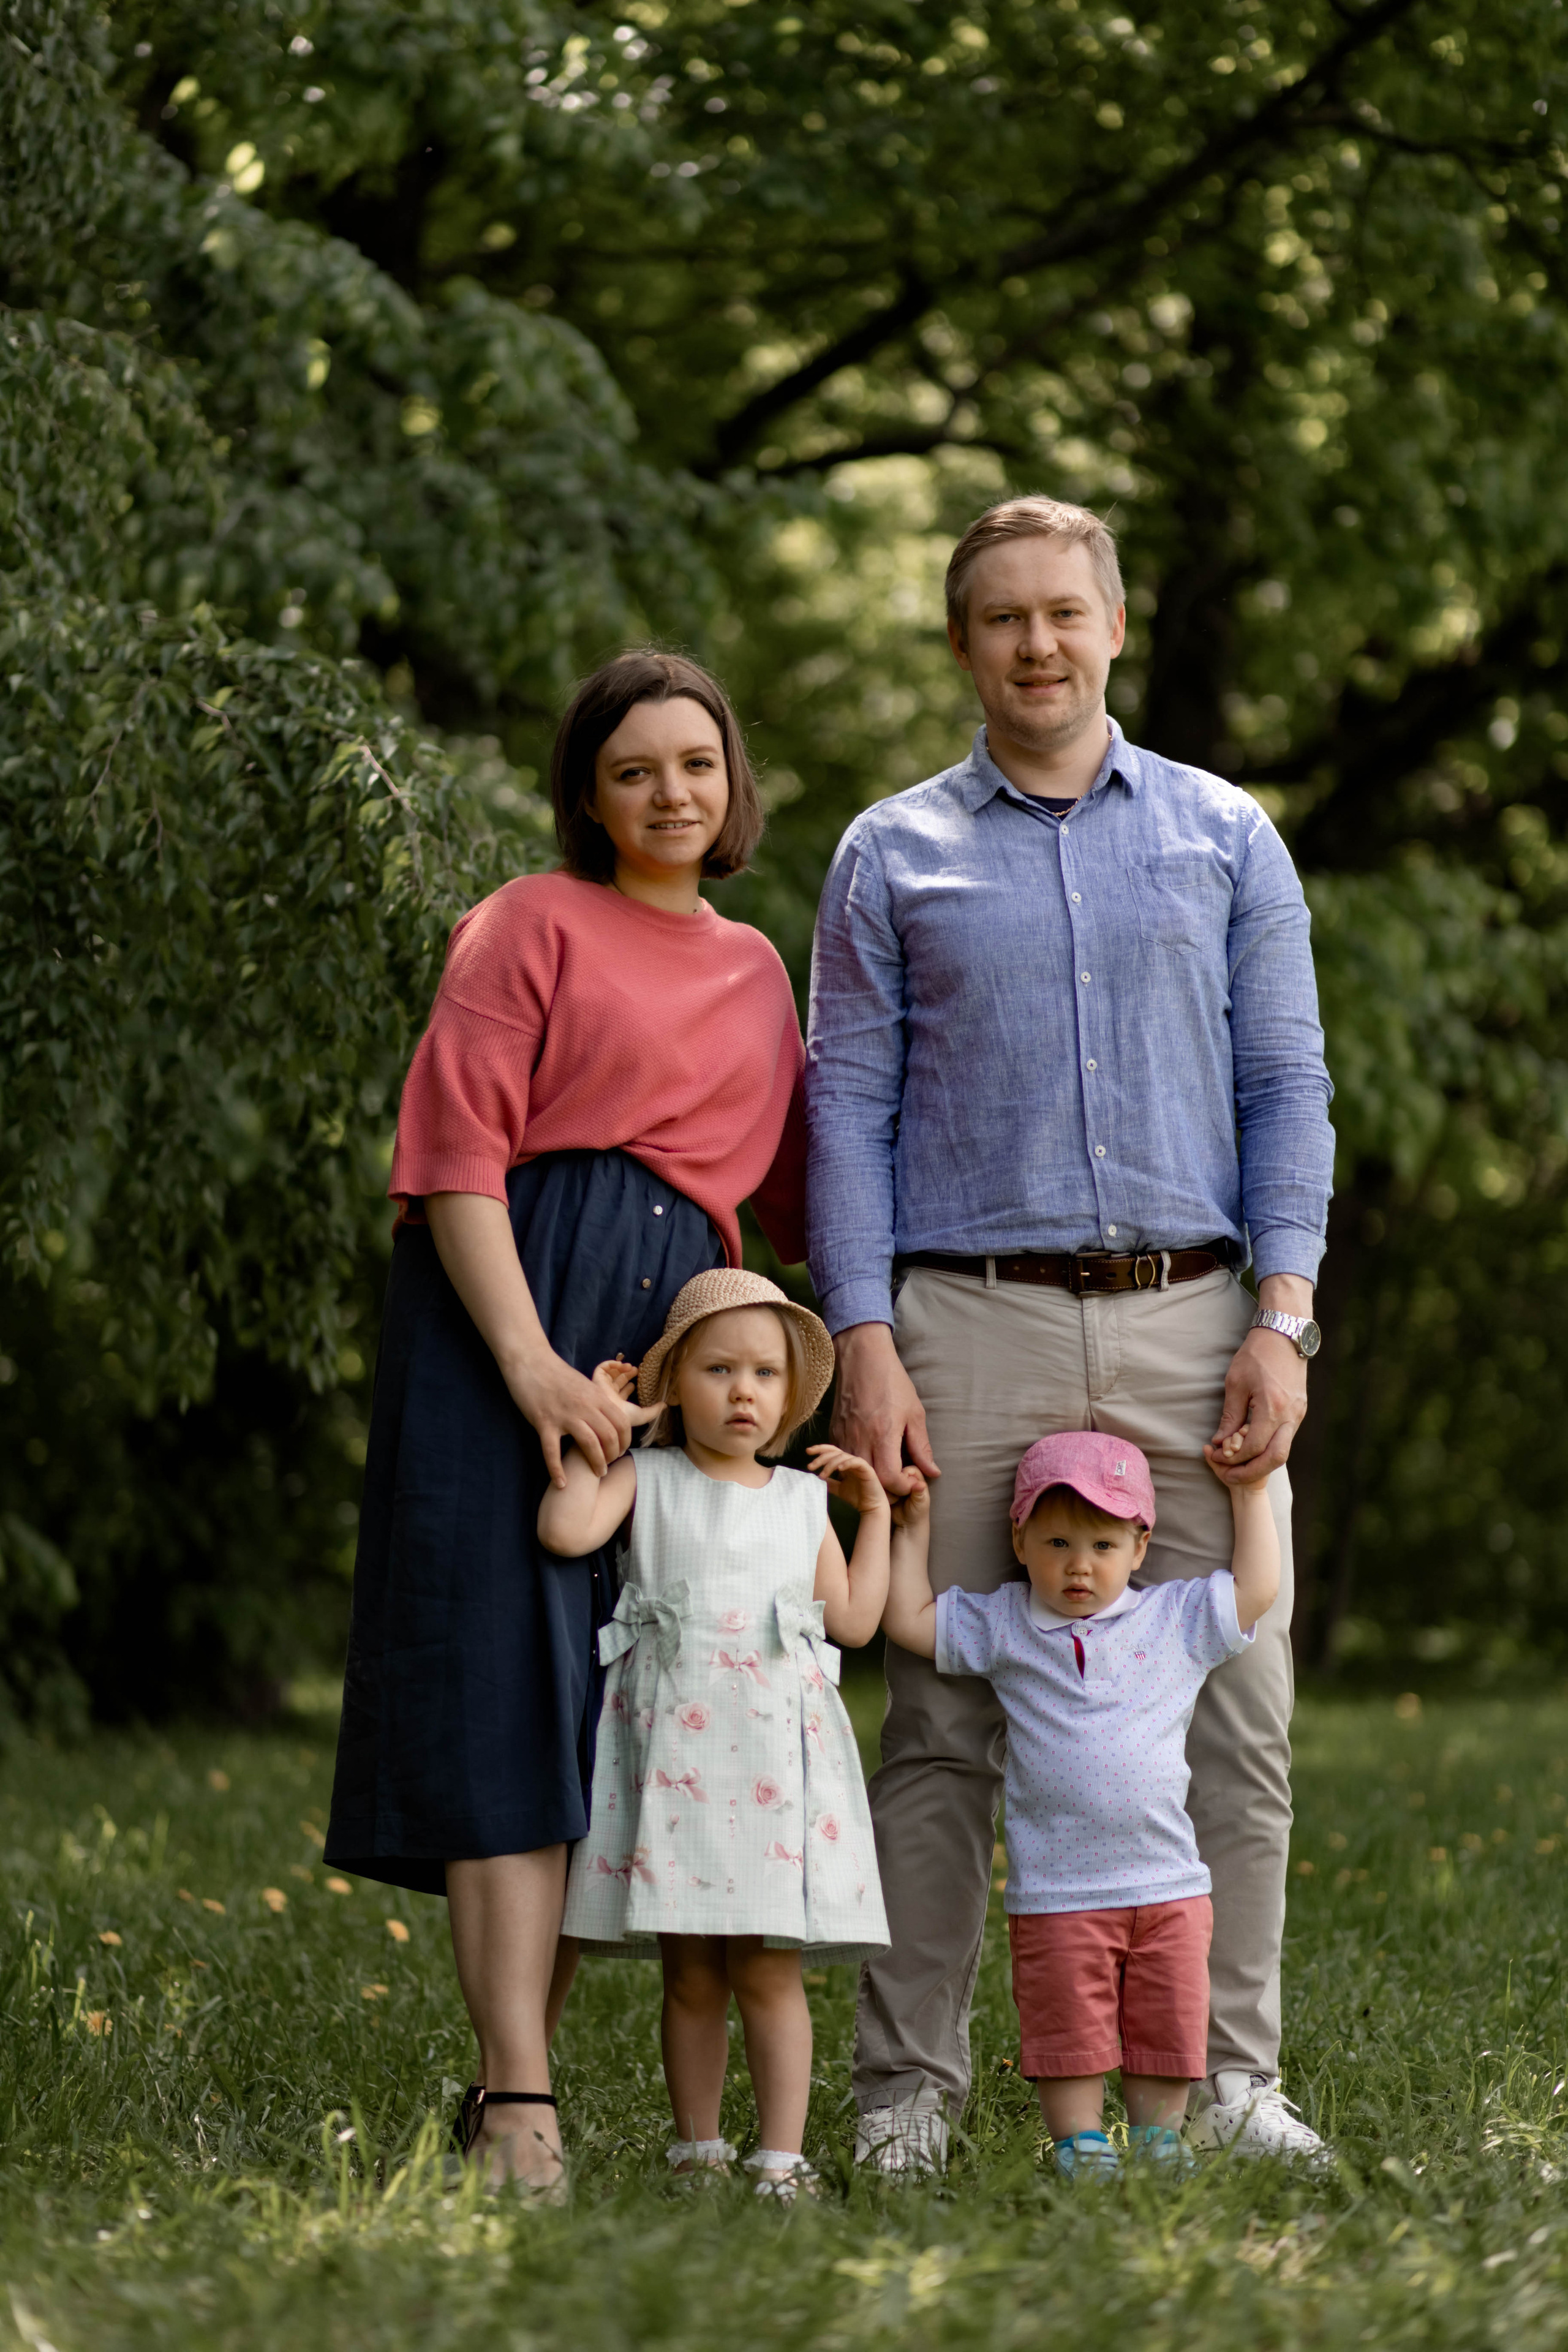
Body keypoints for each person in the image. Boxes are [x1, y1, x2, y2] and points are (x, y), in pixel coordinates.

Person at [807, 494, 1336, 2173]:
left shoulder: (1225, 834)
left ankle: (1234, 2078)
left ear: (1115, 628)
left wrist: (1286, 1316)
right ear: (963, 644)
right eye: (1002, 617)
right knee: (941, 1722)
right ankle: (909, 2097)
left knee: (1239, 1698)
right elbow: (849, 1106)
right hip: (968, 1322)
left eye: (1064, 611)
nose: (1038, 641)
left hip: (1195, 1323)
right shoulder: (892, 852)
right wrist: (866, 1337)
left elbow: (1285, 1084)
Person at [325, 652, 809, 2194]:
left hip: (678, 1336)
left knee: (626, 1703)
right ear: (586, 794)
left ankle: (509, 2075)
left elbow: (800, 1194)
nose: (671, 791)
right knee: (500, 1687)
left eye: (696, 763)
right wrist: (531, 1363)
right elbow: (451, 1154)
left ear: (732, 782)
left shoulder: (756, 970)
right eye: (633, 769)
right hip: (508, 1307)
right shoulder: (524, 923)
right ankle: (517, 2094)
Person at [544, 1271, 905, 2200]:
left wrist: (879, 1519)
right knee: (693, 1975)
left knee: (769, 1972)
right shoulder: (647, 1478)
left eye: (764, 1375)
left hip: (774, 1773)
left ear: (789, 1396)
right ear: (675, 1385)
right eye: (717, 1370)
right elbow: (563, 1528)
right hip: (675, 1767)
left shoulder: (797, 1502)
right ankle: (698, 2151)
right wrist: (603, 1435)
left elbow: (858, 1622)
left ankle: (781, 2160)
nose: (743, 1391)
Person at [883, 1430, 1281, 2178]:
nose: (1078, 1564)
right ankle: (1079, 2144)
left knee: (1166, 2024)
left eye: (1102, 1544)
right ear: (1019, 1539)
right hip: (1057, 1892)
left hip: (1167, 1884)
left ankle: (1159, 2142)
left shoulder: (1174, 1619)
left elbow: (1255, 1590)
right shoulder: (1004, 1623)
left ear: (1139, 1547)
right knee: (1067, 2028)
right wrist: (911, 1528)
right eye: (1058, 1540)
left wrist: (1250, 1493)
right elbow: (908, 1621)